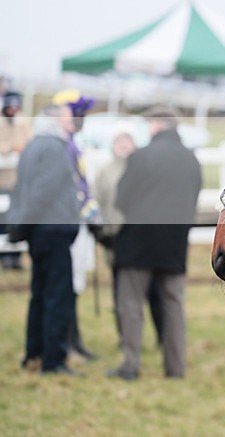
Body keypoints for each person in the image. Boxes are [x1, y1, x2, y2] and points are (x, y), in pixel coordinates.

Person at [108, 106, 201, 380]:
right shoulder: (191, 159)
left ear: (156, 125)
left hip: (137, 242)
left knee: (131, 304)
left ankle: (130, 365)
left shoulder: (141, 157)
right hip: (174, 243)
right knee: (174, 305)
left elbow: (121, 199)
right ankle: (176, 368)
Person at [9, 104, 81, 375]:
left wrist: (22, 225)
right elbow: (43, 192)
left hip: (39, 232)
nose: (71, 125)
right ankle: (53, 360)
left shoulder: (32, 146)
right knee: (56, 297)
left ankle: (34, 353)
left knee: (39, 294)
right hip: (53, 231)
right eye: (66, 120)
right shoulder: (54, 148)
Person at [92, 124, 164, 347]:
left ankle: (162, 335)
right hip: (115, 239)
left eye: (127, 142)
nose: (123, 147)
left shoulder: (146, 168)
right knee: (120, 291)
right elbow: (98, 202)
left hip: (144, 240)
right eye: (119, 143)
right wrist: (100, 231)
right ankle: (126, 337)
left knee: (154, 291)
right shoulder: (105, 171)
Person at [52, 89, 99, 360]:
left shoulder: (73, 142)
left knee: (76, 280)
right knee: (68, 282)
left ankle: (74, 339)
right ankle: (67, 341)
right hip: (69, 222)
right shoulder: (63, 144)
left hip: (80, 221)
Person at [0, 90, 33, 270]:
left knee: (17, 217)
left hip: (19, 181)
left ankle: (16, 255)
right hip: (2, 180)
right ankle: (4, 256)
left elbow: (29, 143)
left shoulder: (24, 122)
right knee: (2, 218)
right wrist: (12, 147)